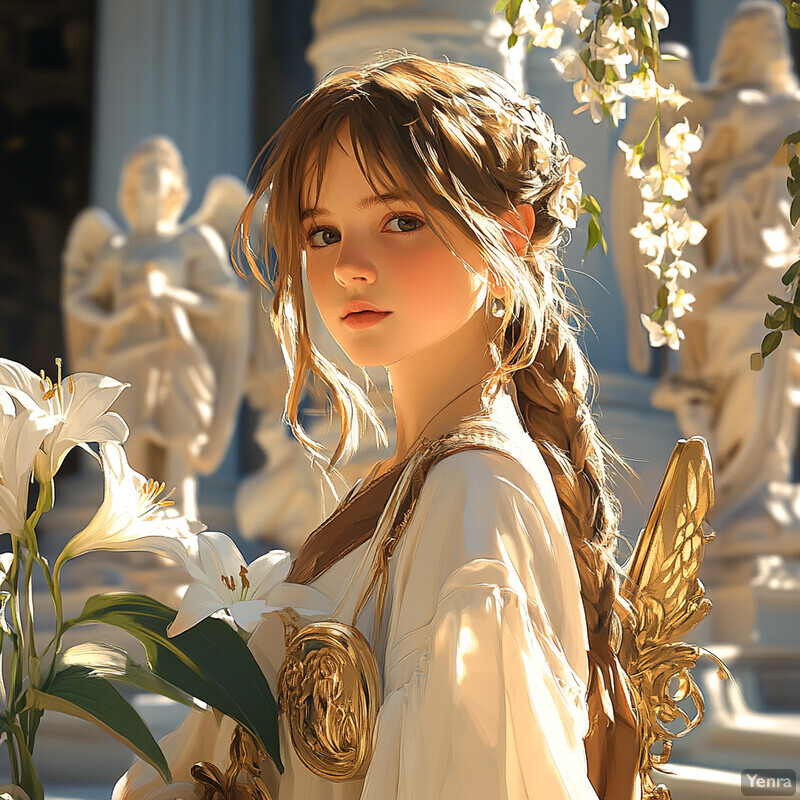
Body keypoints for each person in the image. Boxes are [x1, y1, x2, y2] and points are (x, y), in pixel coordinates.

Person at [114, 54, 639, 800]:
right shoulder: (419, 480)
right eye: (323, 232)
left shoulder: (474, 494)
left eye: (401, 220)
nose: (350, 266)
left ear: (508, 237)